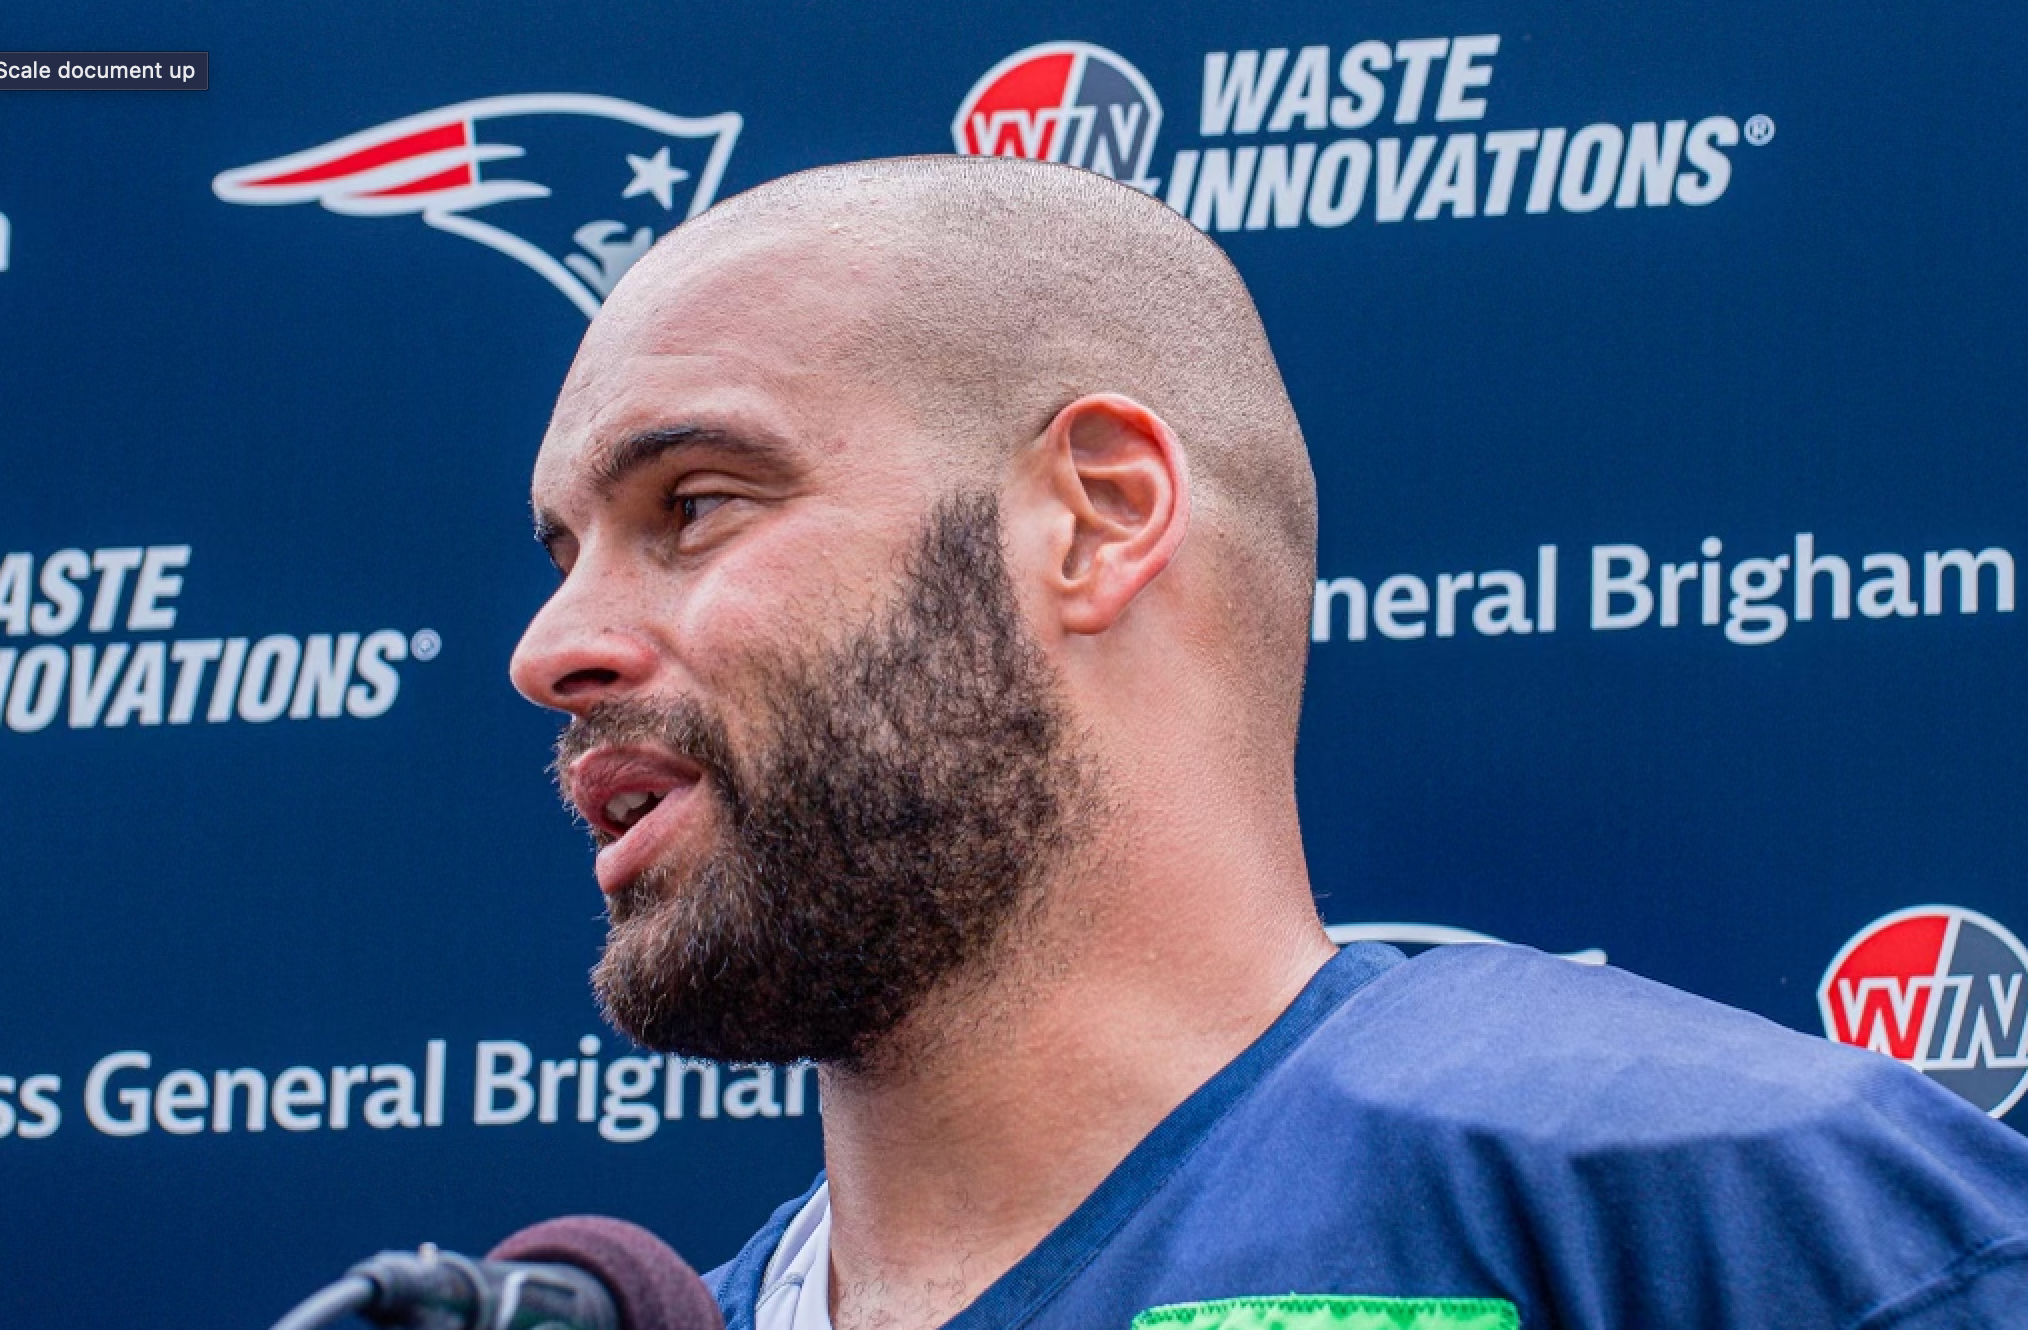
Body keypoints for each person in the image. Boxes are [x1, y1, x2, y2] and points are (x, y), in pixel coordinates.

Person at [508, 156, 2028, 1330]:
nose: (548, 648)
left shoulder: (1725, 1209)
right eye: (562, 552)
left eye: (693, 505)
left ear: (1095, 516)